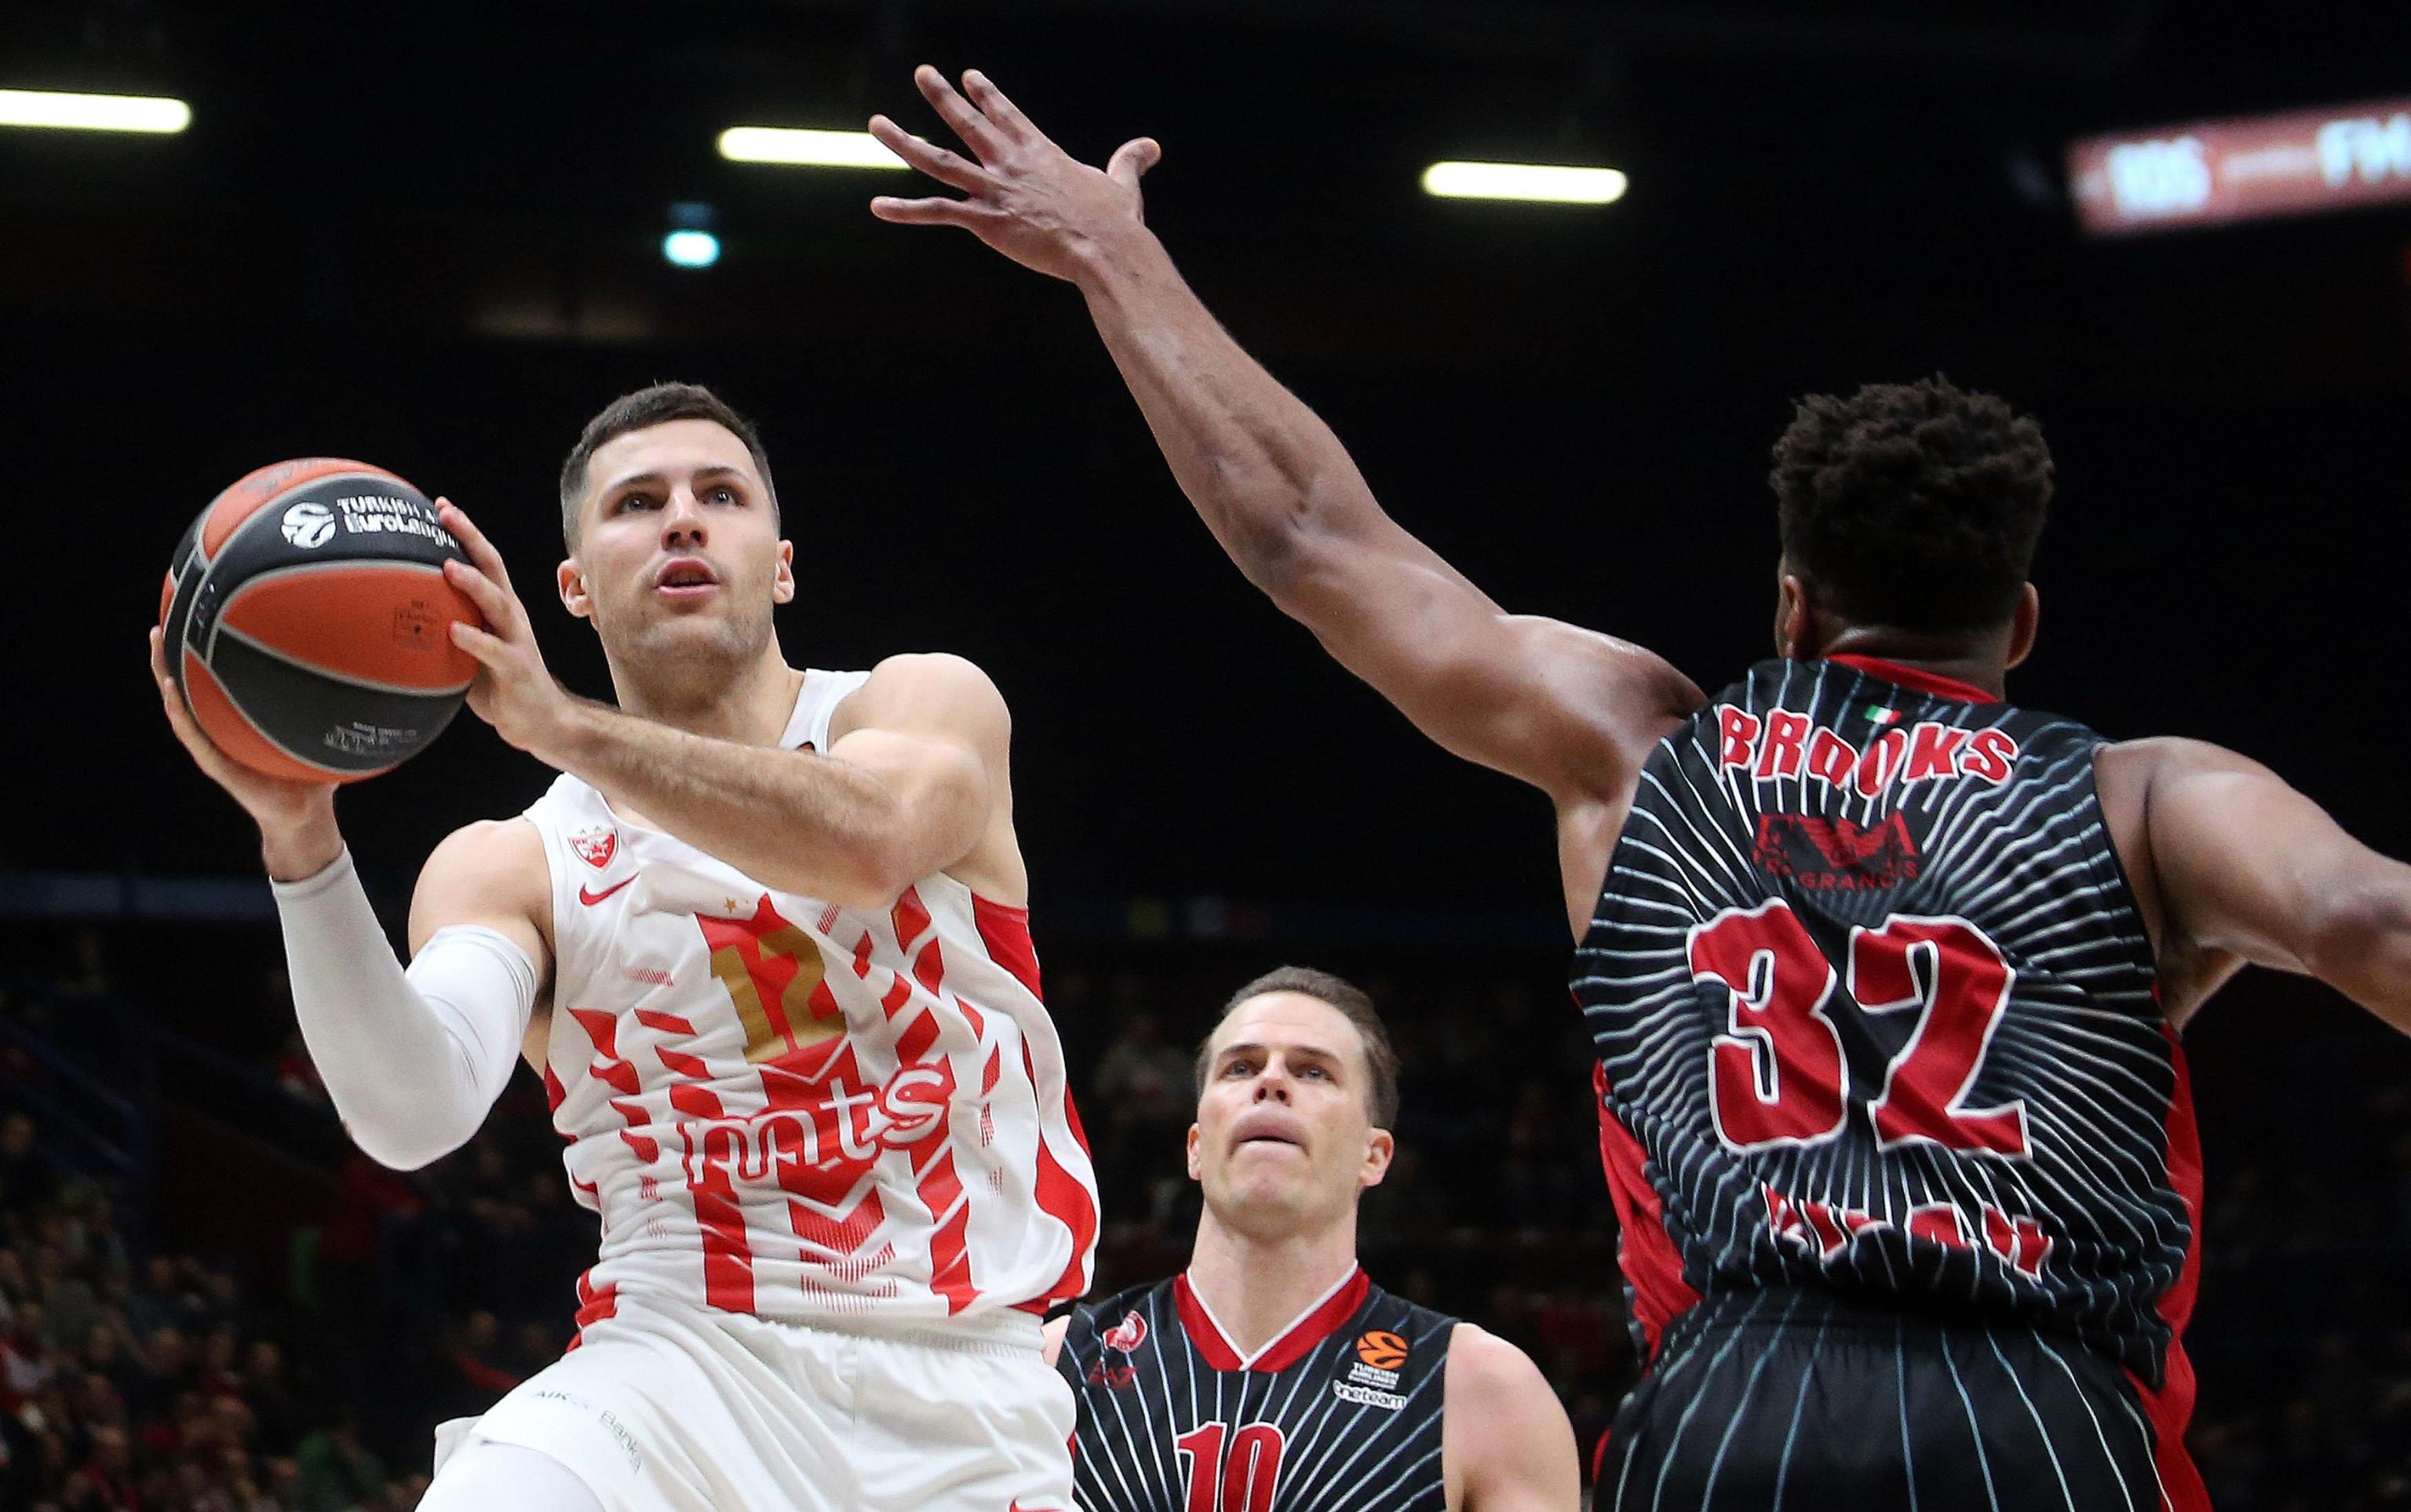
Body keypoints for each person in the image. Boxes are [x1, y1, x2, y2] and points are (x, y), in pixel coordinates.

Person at [866, 65, 2411, 1508]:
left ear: (1793, 606)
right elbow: (2367, 915)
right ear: (2017, 623)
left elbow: (1312, 541)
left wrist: (1111, 258)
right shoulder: (2150, 801)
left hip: (1737, 1401)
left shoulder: (1643, 745)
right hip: (2043, 1413)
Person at [148, 381, 1100, 1511]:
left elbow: (869, 840)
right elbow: (411, 1112)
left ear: (782, 562)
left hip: (967, 1386)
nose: (683, 519)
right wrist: (301, 840)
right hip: (674, 1367)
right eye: (638, 502)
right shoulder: (513, 862)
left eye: (721, 494)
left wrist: (558, 720)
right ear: (575, 587)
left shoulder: (919, 705)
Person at [1046, 967, 1577, 1512]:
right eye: (1242, 1066)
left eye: (1314, 1071)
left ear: (1375, 1156)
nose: (1271, 1082)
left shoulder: (1485, 1393)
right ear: (1196, 1147)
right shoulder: (1053, 1367)